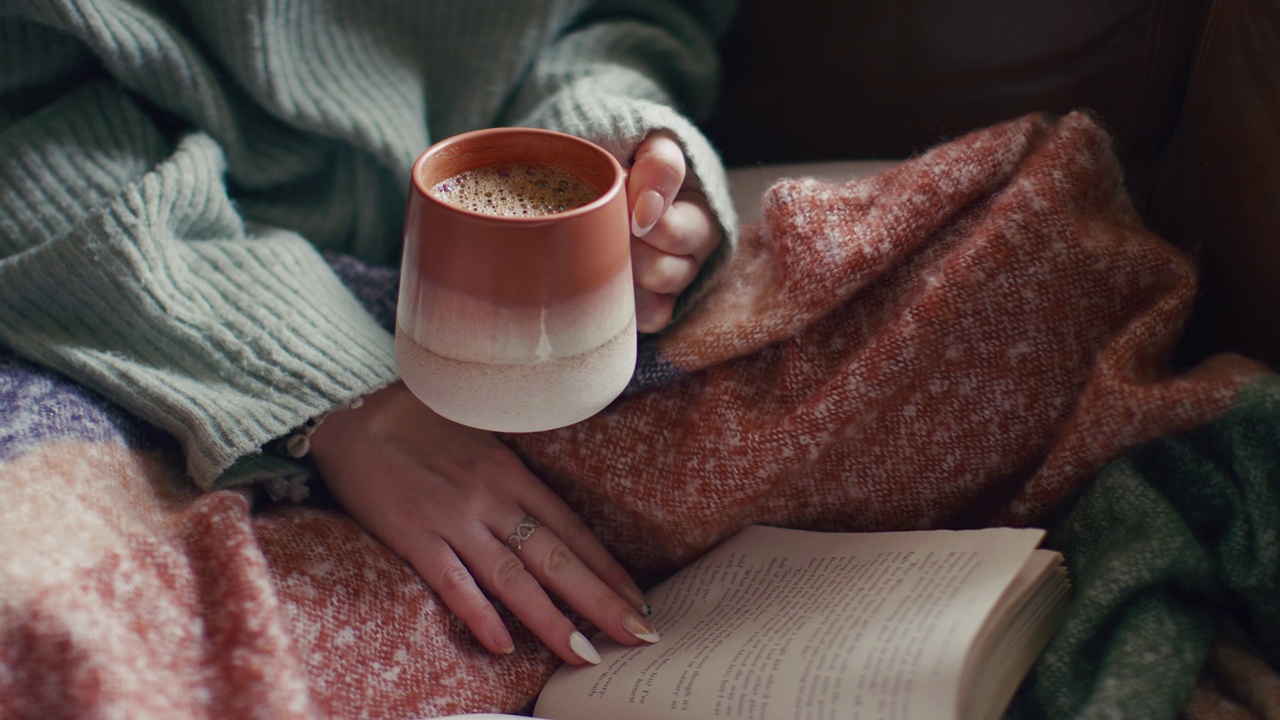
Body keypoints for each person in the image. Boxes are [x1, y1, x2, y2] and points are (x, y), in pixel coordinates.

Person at [0, 1, 737, 668]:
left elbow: (644, 14)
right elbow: (24, 113)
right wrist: (329, 390)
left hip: (544, 279)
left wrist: (605, 137)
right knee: (60, 631)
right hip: (143, 287)